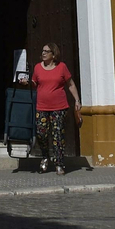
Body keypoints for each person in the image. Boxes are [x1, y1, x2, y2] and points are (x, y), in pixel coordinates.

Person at [31, 42, 81, 175]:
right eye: (43, 50)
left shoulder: (62, 67)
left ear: (54, 54)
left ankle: (59, 163)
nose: (43, 53)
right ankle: (45, 157)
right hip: (41, 107)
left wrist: (77, 100)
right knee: (41, 134)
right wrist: (27, 83)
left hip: (59, 107)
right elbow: (34, 84)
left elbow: (70, 84)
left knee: (58, 135)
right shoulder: (37, 68)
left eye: (47, 51)